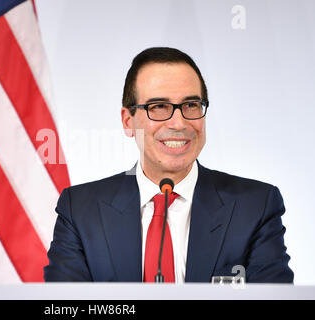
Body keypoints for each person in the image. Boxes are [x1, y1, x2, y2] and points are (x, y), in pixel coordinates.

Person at [44, 47, 294, 283]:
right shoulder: (80, 210)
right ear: (128, 121)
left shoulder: (256, 206)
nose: (178, 123)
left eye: (191, 105)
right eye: (159, 107)